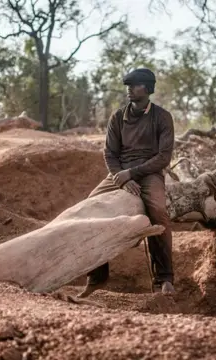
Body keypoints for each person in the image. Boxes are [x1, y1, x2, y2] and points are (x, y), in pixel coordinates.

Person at [78, 68, 176, 297]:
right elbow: (110, 154)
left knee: (159, 212)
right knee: (89, 207)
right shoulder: (117, 117)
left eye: (136, 85)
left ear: (148, 88)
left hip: (149, 173)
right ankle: (97, 275)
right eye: (129, 86)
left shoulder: (162, 117)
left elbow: (163, 157)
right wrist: (120, 177)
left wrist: (132, 173)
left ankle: (165, 278)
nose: (130, 89)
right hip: (120, 173)